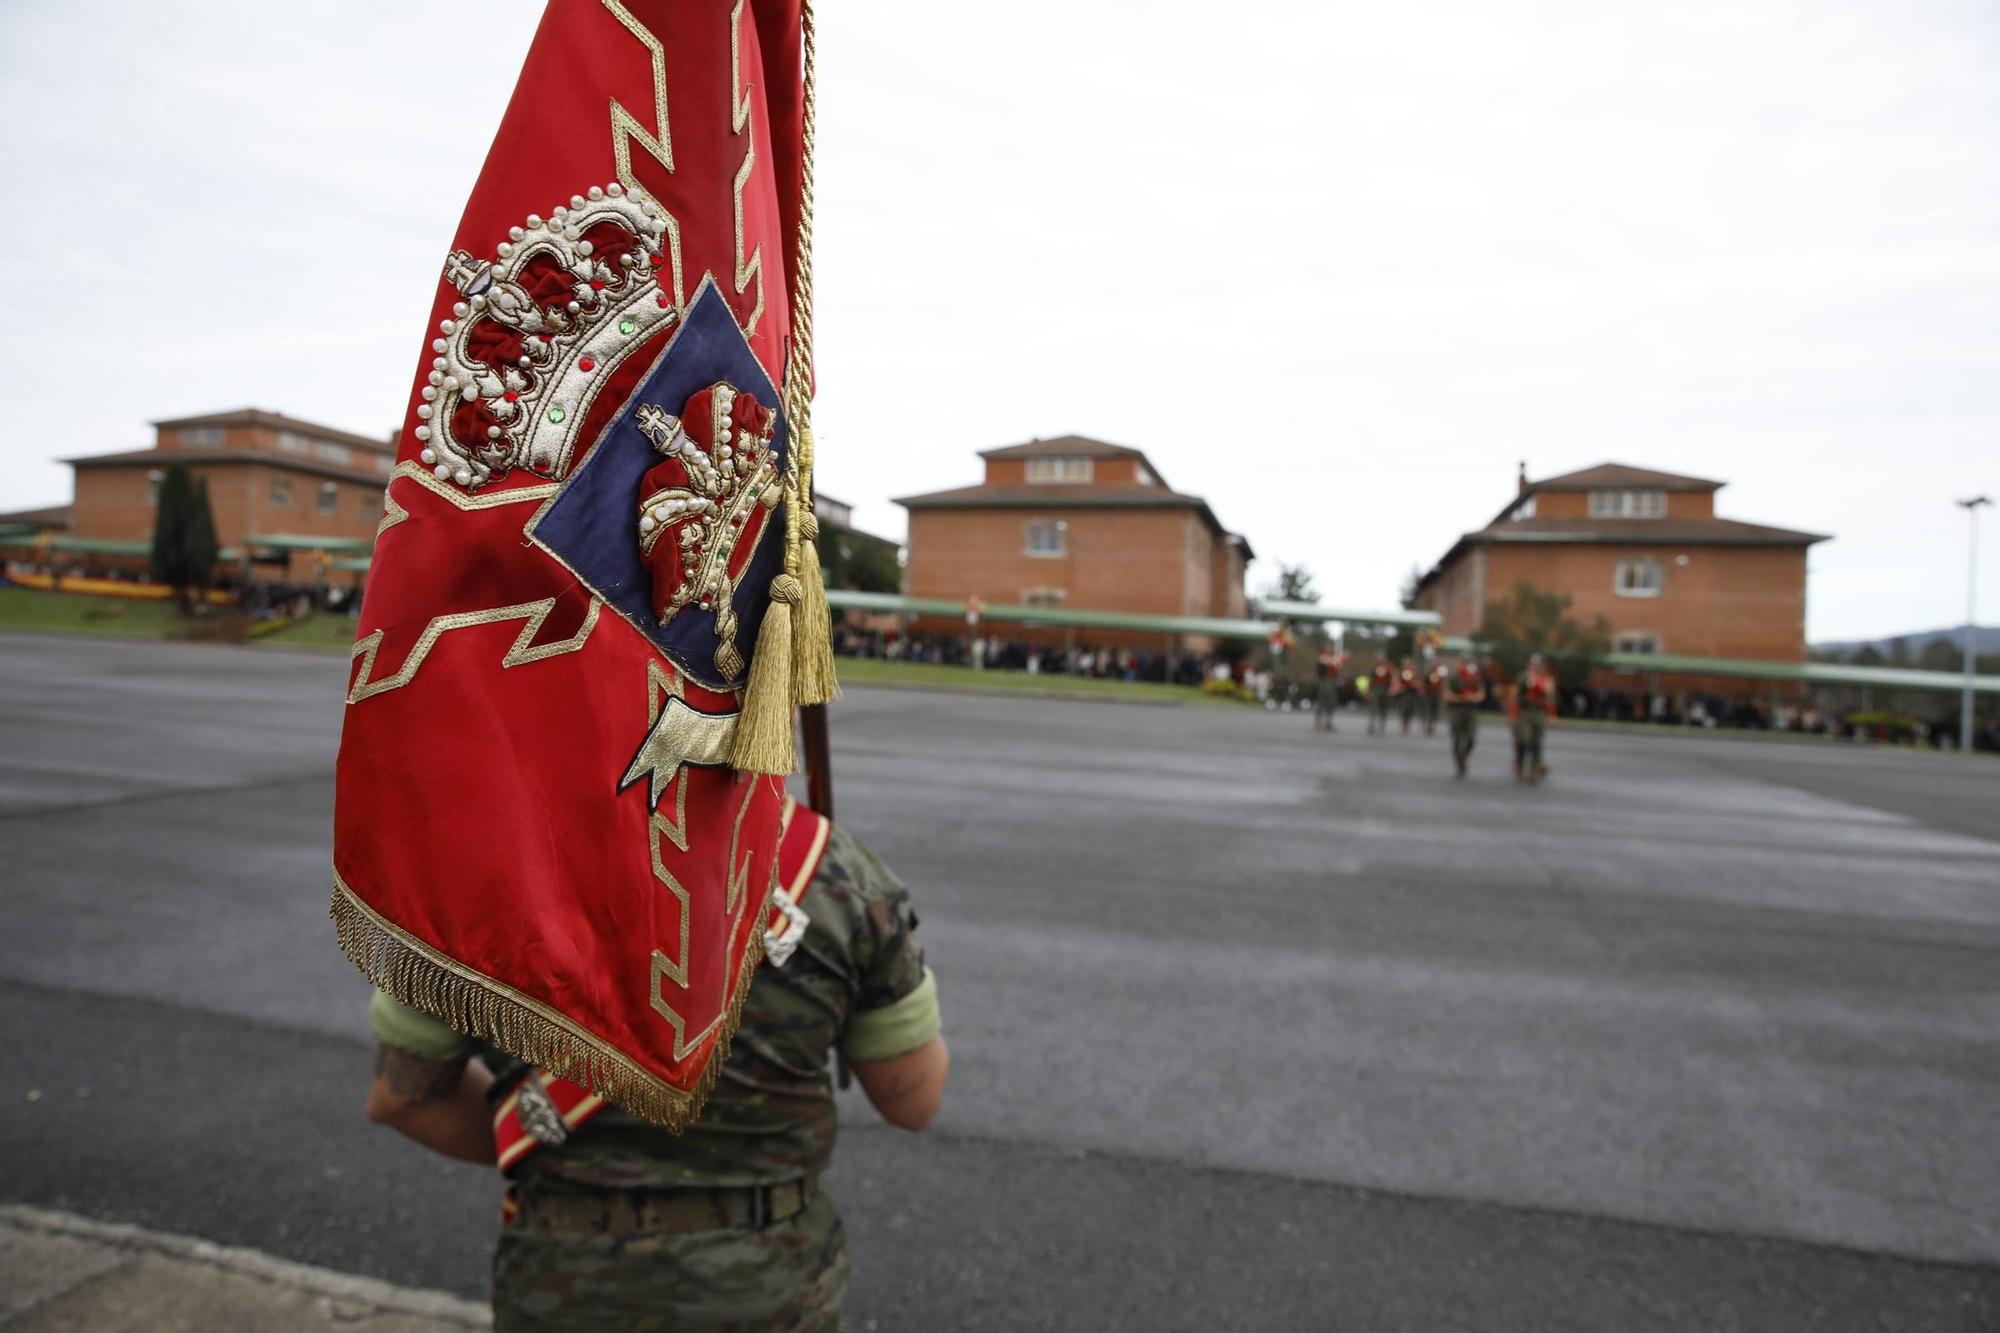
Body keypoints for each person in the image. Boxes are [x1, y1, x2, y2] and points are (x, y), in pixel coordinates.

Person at [364, 811, 949, 1332]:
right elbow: (912, 1102)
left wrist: (561, 1151)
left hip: (565, 1287)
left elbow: (404, 1098)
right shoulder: (842, 878)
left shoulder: (483, 874)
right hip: (770, 1291)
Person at [1509, 653, 1559, 783]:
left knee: (1537, 742)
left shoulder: (1547, 680)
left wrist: (1552, 715)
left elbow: (1550, 699)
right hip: (1524, 713)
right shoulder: (1523, 677)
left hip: (1539, 713)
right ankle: (1519, 763)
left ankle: (1534, 770)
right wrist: (1513, 715)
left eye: (1539, 665)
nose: (1536, 667)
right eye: (1534, 664)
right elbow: (1515, 696)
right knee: (1524, 740)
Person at [1442, 656, 1488, 779]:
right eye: (1463, 664)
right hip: (1457, 710)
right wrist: (1460, 698)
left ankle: (1463, 757)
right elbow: (1446, 694)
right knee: (1457, 739)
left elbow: (1481, 694)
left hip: (1471, 711)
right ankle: (1459, 763)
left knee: (1471, 739)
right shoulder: (1454, 678)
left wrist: (1471, 698)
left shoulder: (1475, 679)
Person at [1313, 648, 1345, 733]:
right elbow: (1321, 668)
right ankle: (1319, 722)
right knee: (1322, 703)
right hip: (1324, 684)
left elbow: (1337, 671)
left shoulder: (1333, 662)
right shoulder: (1323, 660)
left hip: (1331, 684)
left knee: (1331, 703)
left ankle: (1328, 722)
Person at [1423, 659, 1450, 737]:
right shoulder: (1428, 675)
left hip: (1437, 695)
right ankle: (1428, 725)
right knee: (1429, 710)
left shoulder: (1440, 676)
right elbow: (1425, 684)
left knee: (1435, 711)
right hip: (1429, 695)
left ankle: (1432, 726)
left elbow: (1443, 684)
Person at [1368, 657, 1394, 735]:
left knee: (1383, 708)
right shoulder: (1375, 670)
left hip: (1384, 690)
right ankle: (1372, 724)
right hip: (1376, 689)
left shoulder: (1387, 670)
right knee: (1374, 707)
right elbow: (1371, 680)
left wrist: (1390, 689)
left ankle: (1381, 724)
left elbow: (1390, 680)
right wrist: (1369, 690)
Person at [1395, 657, 1421, 735]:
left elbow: (1418, 683)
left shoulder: (1414, 674)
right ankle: (1404, 724)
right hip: (1403, 694)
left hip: (1412, 693)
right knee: (1403, 709)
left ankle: (1407, 724)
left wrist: (1415, 684)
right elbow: (1398, 682)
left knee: (1410, 710)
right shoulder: (1402, 673)